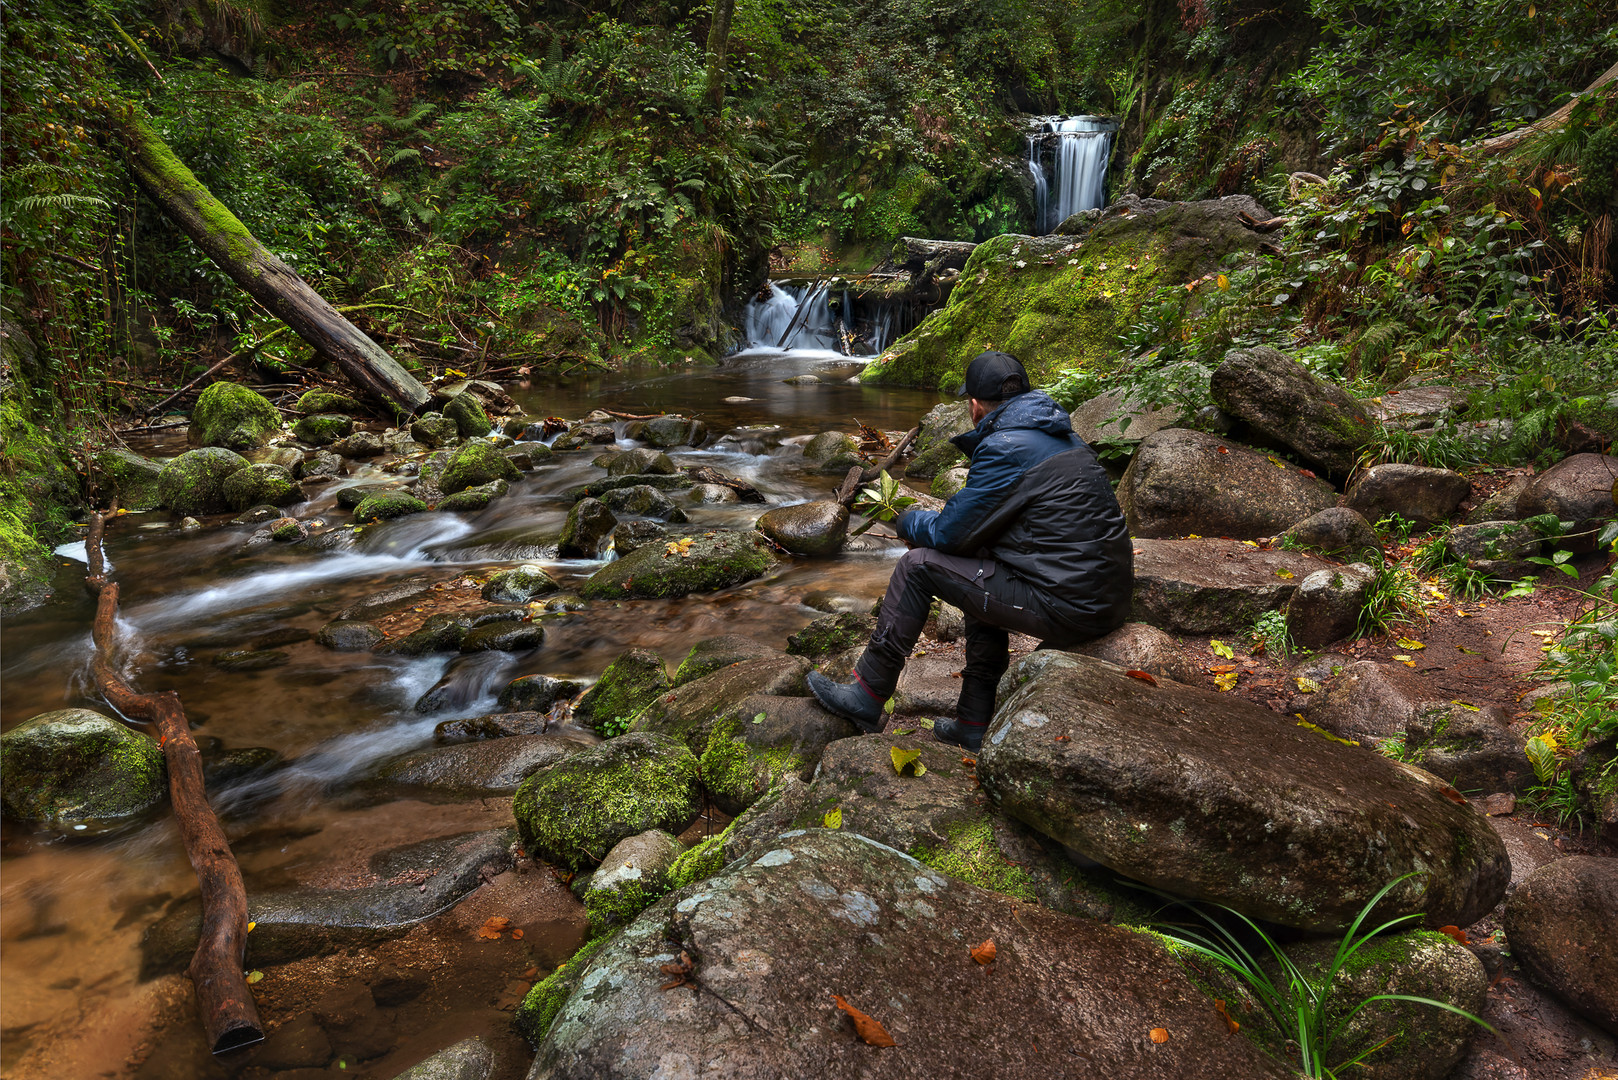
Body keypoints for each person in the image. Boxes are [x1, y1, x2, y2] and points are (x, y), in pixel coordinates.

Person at [807, 350, 1134, 750]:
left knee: (916, 566)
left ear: (975, 406)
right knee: (979, 563)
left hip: (1070, 605)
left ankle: (868, 693)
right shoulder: (1061, 435)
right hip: (1105, 596)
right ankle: (973, 720)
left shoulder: (1006, 447)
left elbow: (949, 534)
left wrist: (907, 520)